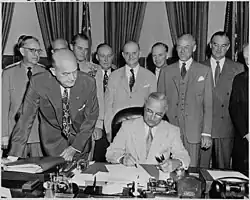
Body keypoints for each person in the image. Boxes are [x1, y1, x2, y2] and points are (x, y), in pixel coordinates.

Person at [8, 49, 99, 161]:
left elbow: (91, 117)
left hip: (81, 142)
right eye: (65, 74)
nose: (72, 78)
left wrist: (76, 147)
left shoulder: (88, 82)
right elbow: (25, 118)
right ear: (53, 71)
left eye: (75, 71)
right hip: (53, 143)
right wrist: (13, 156)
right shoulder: (38, 82)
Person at [158, 34, 213, 167]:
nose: (182, 51)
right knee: (167, 168)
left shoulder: (204, 71)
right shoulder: (166, 71)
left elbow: (209, 105)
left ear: (194, 48)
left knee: (191, 169)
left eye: (186, 47)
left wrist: (206, 132)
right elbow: (159, 103)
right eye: (179, 47)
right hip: (170, 129)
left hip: (193, 132)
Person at [106, 92, 190, 172]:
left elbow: (184, 156)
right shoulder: (127, 126)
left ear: (164, 113)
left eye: (158, 114)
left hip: (157, 180)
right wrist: (122, 159)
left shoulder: (172, 131)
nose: (152, 117)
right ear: (144, 107)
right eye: (149, 111)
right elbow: (110, 153)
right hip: (131, 177)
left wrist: (176, 162)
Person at [200, 31, 244, 169]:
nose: (219, 49)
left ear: (228, 47)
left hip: (227, 127)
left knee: (223, 170)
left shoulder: (238, 68)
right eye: (216, 45)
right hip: (203, 128)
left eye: (223, 46)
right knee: (201, 169)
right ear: (210, 45)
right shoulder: (199, 67)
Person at [2, 35, 46, 157]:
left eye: (38, 51)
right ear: (22, 51)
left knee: (39, 170)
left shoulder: (45, 73)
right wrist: (4, 134)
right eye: (32, 50)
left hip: (38, 135)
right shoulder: (9, 73)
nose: (36, 54)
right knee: (15, 171)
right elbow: (3, 106)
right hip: (16, 133)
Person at [104, 41, 157, 142]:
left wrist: (152, 130)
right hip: (118, 128)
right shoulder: (113, 76)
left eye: (134, 53)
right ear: (123, 55)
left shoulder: (150, 77)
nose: (130, 56)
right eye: (127, 53)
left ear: (139, 53)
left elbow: (153, 106)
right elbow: (108, 105)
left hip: (142, 129)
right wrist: (108, 130)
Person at [91, 43, 116, 162]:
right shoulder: (90, 75)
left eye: (109, 55)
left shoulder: (120, 75)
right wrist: (96, 126)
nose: (106, 59)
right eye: (102, 56)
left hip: (116, 126)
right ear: (96, 57)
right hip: (97, 128)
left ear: (113, 56)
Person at [229, 43, 249, 175]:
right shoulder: (239, 80)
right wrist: (246, 133)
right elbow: (234, 108)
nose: (248, 62)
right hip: (244, 139)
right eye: (246, 58)